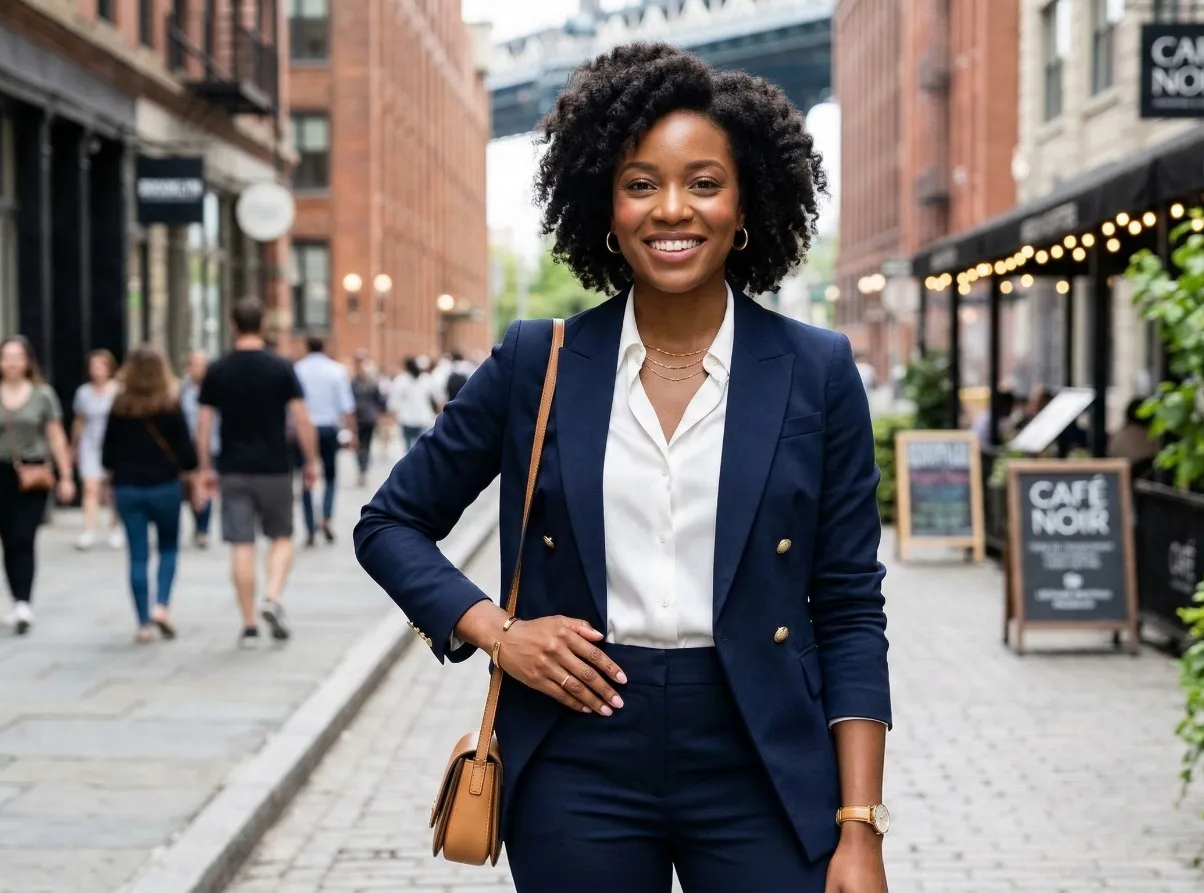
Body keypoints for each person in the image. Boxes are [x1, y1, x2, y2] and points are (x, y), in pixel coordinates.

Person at [355, 44, 891, 893]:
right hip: (576, 752)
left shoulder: (816, 370)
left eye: (704, 182)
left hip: (760, 752)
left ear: (747, 199)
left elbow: (852, 606)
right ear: (604, 205)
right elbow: (388, 523)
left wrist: (859, 827)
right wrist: (498, 631)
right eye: (641, 183)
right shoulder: (541, 359)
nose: (672, 209)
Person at [196, 298, 320, 649]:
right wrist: (311, 461)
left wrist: (205, 467)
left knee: (241, 545)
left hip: (233, 468)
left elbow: (204, 424)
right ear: (262, 324)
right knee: (282, 537)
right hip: (275, 468)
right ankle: (273, 596)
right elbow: (301, 417)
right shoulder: (280, 367)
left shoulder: (218, 369)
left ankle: (249, 625)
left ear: (233, 324)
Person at [0, 337, 76, 635]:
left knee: (25, 535)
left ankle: (24, 603)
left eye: (17, 357)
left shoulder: (42, 396)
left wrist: (65, 475)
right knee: (8, 538)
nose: (11, 363)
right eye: (6, 357)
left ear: (27, 362)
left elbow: (55, 436)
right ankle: (16, 599)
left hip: (34, 473)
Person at [103, 345, 199, 644]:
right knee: (169, 548)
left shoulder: (119, 405)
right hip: (165, 488)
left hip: (128, 489)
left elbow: (107, 456)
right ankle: (162, 606)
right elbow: (188, 456)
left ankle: (143, 623)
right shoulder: (171, 404)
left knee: (138, 555)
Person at [293, 336, 355, 546]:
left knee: (306, 476)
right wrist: (352, 432)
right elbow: (347, 406)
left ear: (306, 346)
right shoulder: (336, 370)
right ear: (325, 347)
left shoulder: (297, 370)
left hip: (304, 428)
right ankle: (326, 516)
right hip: (328, 428)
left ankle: (310, 527)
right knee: (330, 476)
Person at [71, 349, 121, 551]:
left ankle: (115, 527)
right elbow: (79, 420)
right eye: (93, 367)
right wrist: (73, 446)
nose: (97, 371)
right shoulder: (83, 393)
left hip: (114, 444)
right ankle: (89, 529)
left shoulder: (119, 391)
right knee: (90, 487)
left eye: (101, 366)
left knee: (113, 489)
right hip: (90, 444)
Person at [181, 350, 218, 549]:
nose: (199, 370)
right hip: (187, 446)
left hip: (211, 445)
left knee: (206, 485)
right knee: (189, 488)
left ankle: (203, 529)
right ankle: (197, 522)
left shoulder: (216, 389)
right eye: (195, 365)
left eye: (203, 365)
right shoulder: (181, 391)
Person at [349, 351, 385, 487]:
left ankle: (363, 470)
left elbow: (379, 400)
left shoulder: (364, 383)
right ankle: (362, 469)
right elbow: (380, 401)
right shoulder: (354, 383)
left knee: (364, 444)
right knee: (361, 445)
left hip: (365, 418)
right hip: (361, 417)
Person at [386, 356, 437, 448]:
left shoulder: (401, 380)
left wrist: (391, 415)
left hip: (409, 420)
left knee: (409, 449)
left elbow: (393, 401)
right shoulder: (426, 379)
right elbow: (435, 397)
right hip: (422, 418)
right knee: (421, 447)